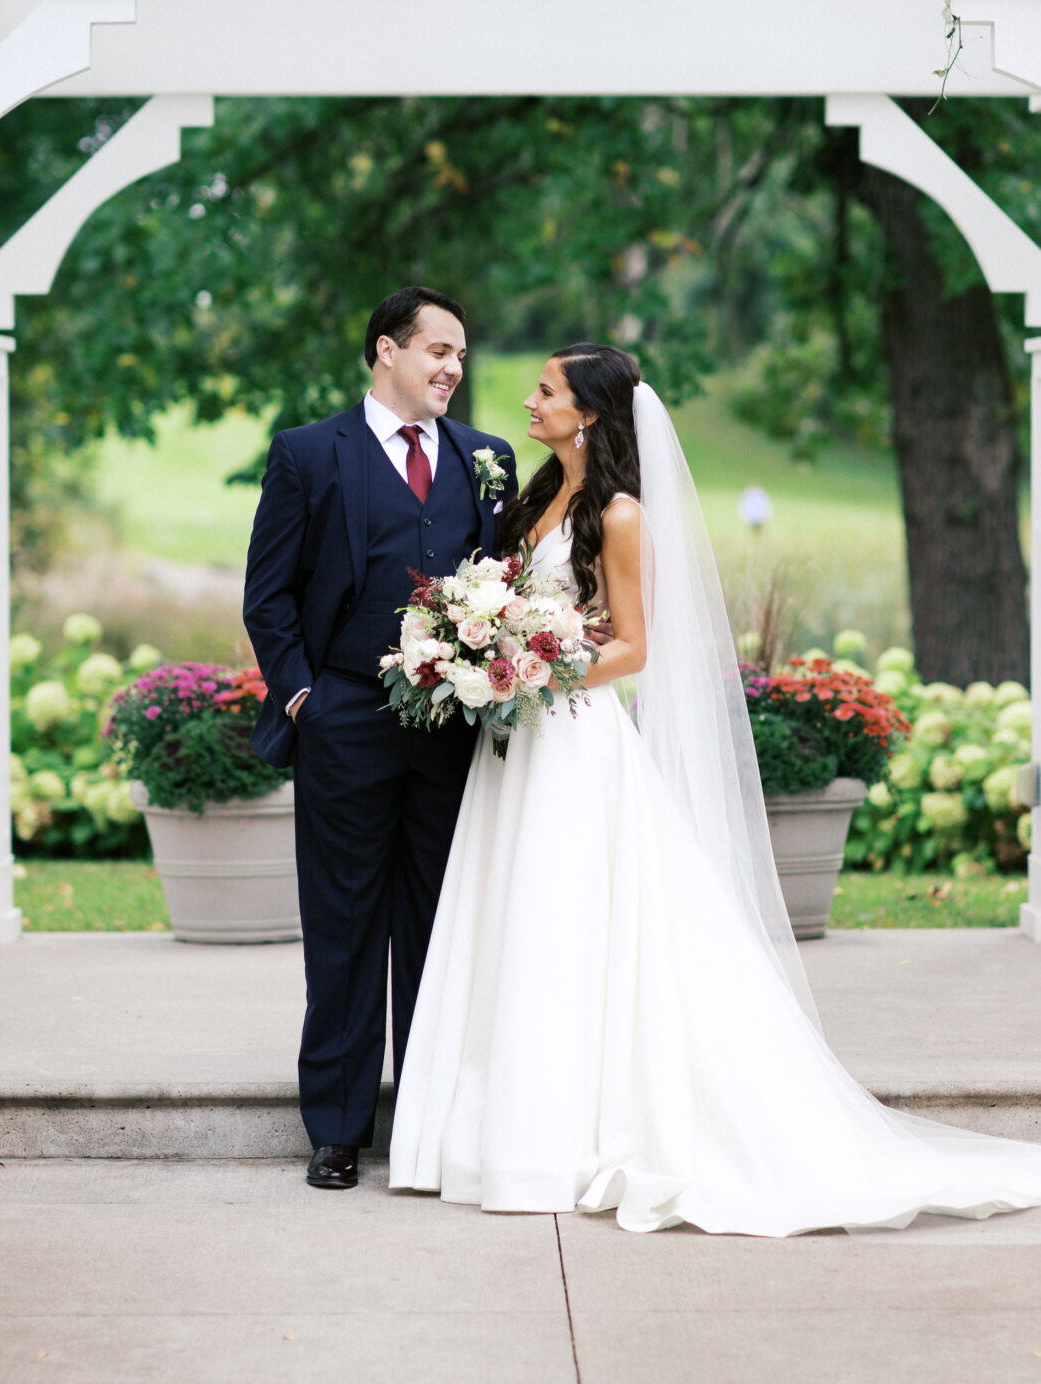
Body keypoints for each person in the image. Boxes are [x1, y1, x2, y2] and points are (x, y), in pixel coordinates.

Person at [389, 343, 1041, 1234]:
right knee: (511, 916)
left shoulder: (620, 516)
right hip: (516, 747)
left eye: (545, 390)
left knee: (565, 918)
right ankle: (490, 1130)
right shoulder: (534, 498)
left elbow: (632, 647)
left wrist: (530, 668)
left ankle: (558, 1139)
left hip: (574, 743)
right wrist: (480, 648)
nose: (529, 400)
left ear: (588, 413)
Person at [243, 286, 517, 1192]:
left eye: (462, 355)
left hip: (453, 730)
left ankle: (432, 1120)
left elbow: (507, 586)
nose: (452, 368)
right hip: (344, 721)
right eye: (437, 349)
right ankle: (336, 1127)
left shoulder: (487, 459)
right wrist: (302, 702)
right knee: (344, 928)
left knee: (441, 929)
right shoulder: (306, 454)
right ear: (384, 352)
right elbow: (269, 596)